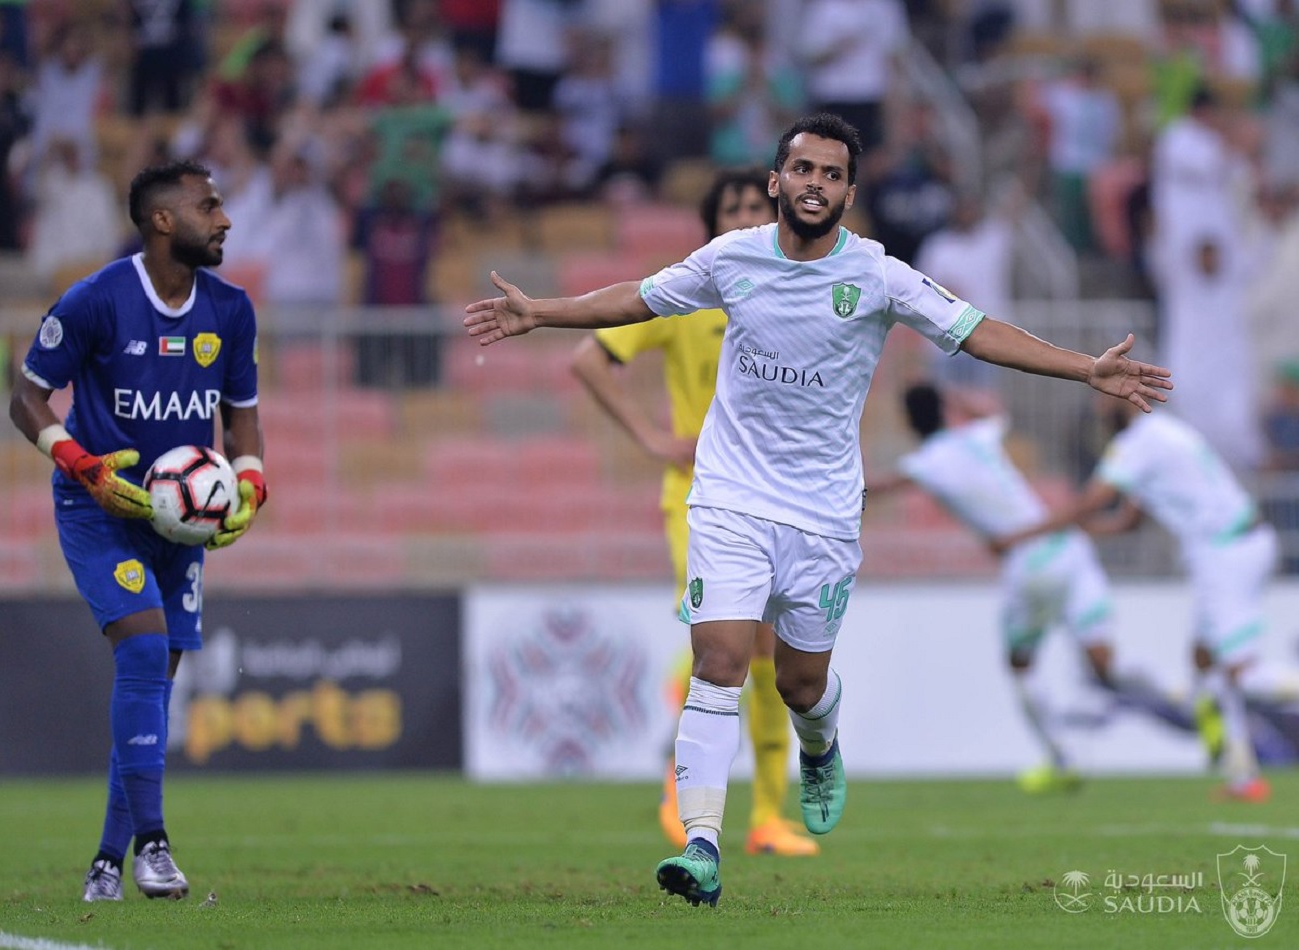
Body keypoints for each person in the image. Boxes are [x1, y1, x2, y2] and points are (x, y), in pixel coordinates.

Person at [464, 113, 1172, 907]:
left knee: (801, 684)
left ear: (849, 192)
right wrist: (541, 313)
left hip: (824, 515)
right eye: (803, 170)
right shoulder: (732, 258)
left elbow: (976, 333)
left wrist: (1085, 371)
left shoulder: (877, 275)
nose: (815, 184)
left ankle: (821, 743)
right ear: (776, 181)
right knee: (721, 663)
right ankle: (702, 846)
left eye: (832, 175)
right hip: (730, 495)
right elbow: (640, 299)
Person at [7, 159, 268, 901]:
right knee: (147, 649)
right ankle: (155, 845)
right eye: (208, 206)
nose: (223, 219)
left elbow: (241, 414)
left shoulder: (232, 309)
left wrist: (249, 481)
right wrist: (82, 464)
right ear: (163, 221)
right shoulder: (96, 300)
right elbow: (25, 397)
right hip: (99, 509)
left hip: (180, 527)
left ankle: (106, 864)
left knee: (155, 685)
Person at [569, 166, 817, 858]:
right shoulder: (689, 295)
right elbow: (589, 358)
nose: (743, 218)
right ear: (710, 226)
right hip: (700, 500)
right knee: (722, 643)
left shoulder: (794, 297)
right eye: (730, 208)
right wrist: (651, 437)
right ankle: (681, 793)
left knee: (768, 652)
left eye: (752, 207)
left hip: (779, 502)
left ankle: (768, 817)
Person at [871, 383, 1187, 792]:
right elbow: (994, 412)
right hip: (1068, 548)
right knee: (1105, 664)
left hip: (1029, 562)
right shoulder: (977, 435)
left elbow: (877, 488)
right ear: (944, 411)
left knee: (1021, 664)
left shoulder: (925, 464)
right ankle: (1178, 691)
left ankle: (1063, 758)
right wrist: (957, 396)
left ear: (908, 421)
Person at [992, 401, 1277, 803]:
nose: (1099, 405)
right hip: (1237, 542)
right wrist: (1074, 532)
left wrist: (1024, 534)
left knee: (1239, 671)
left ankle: (1235, 756)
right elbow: (1128, 520)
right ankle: (1243, 776)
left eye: (1104, 397)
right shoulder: (1164, 433)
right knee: (1205, 659)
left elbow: (1092, 500)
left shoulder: (1137, 444)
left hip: (1224, 552)